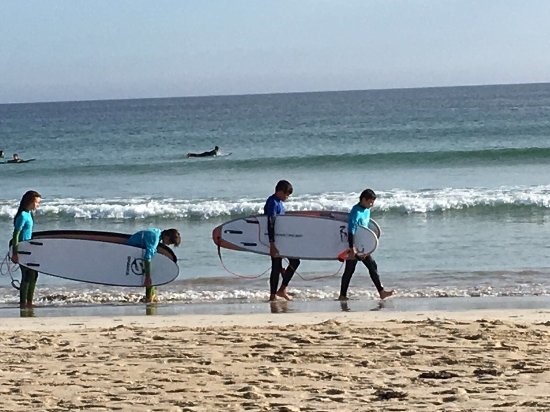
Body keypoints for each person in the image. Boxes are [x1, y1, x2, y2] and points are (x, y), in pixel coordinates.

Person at [339, 189, 394, 301]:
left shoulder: (367, 210)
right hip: (355, 245)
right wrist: (352, 247)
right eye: (370, 202)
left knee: (371, 266)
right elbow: (351, 229)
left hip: (363, 246)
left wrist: (370, 243)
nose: (372, 205)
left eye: (373, 202)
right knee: (351, 270)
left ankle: (381, 292)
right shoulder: (356, 211)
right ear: (363, 199)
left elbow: (366, 229)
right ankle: (343, 295)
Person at [264, 179, 300, 301]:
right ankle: (275, 294)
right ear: (279, 191)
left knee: (286, 264)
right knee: (280, 265)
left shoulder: (278, 202)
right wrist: (272, 244)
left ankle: (280, 290)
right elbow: (270, 223)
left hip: (282, 240)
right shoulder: (273, 202)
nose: (287, 197)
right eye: (286, 194)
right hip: (276, 240)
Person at [126, 228, 181, 303]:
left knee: (153, 270)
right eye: (170, 242)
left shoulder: (157, 232)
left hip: (135, 248)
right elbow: (147, 257)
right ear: (167, 236)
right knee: (150, 278)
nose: (168, 244)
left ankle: (152, 296)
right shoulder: (154, 239)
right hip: (129, 251)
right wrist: (147, 277)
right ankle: (149, 299)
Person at [11, 190, 42, 308]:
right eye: (37, 202)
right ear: (30, 201)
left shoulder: (29, 214)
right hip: (22, 249)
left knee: (34, 274)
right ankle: (23, 302)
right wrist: (15, 253)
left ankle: (29, 301)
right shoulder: (23, 215)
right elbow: (16, 234)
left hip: (29, 249)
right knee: (27, 275)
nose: (38, 205)